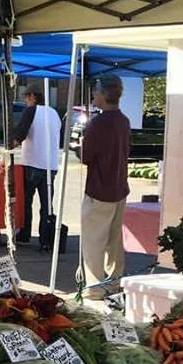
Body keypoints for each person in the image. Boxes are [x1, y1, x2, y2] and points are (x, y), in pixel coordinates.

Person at [78, 74, 131, 300]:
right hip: (119, 187)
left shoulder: (98, 123)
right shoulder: (124, 120)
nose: (93, 94)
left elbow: (86, 156)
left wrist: (78, 146)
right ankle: (114, 282)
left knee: (93, 243)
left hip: (99, 189)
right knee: (114, 242)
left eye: (96, 90)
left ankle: (95, 288)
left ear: (104, 94)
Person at [11, 86, 62, 248]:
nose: (25, 100)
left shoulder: (31, 111)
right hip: (51, 164)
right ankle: (46, 239)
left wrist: (10, 145)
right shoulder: (54, 113)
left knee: (26, 201)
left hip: (32, 162)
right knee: (46, 204)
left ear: (33, 96)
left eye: (26, 97)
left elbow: (21, 133)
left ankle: (24, 234)